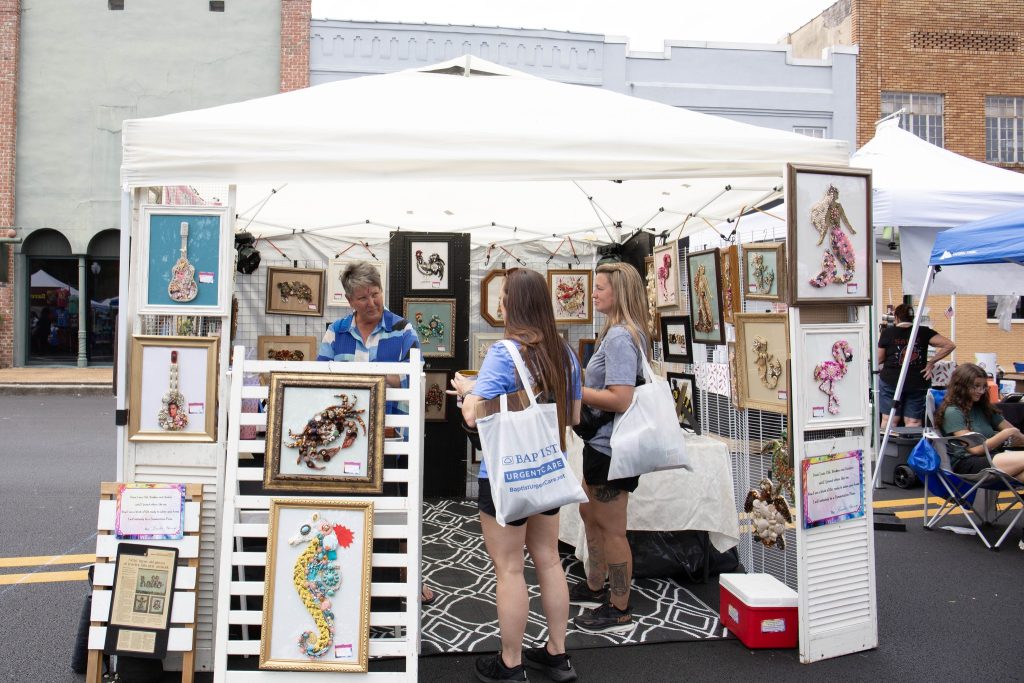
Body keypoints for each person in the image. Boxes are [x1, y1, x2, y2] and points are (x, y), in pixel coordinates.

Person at [452, 268, 582, 683]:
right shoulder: (566, 353)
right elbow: (574, 417)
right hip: (548, 471)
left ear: (512, 303)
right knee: (548, 558)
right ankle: (557, 655)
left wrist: (464, 392)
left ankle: (511, 663)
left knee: (508, 568)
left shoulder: (503, 354)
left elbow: (473, 415)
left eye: (504, 296)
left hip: (506, 475)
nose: (501, 303)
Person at [316, 261, 437, 606]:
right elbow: (321, 379)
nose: (372, 302)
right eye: (363, 297)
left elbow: (415, 378)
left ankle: (406, 579)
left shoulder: (402, 330)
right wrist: (384, 377)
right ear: (350, 300)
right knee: (347, 511)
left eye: (376, 294)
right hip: (344, 443)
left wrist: (361, 379)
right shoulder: (335, 332)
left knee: (398, 509)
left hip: (390, 439)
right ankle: (350, 581)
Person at [571, 262, 650, 634]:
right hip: (601, 445)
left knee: (612, 529)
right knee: (591, 515)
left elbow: (619, 399)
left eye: (600, 287)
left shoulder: (620, 336)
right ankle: (595, 584)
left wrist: (569, 390)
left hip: (611, 449)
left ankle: (619, 606)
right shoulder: (619, 333)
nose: (594, 294)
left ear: (619, 292)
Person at [936, 363, 1024, 482]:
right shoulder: (953, 412)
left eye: (983, 386)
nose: (981, 391)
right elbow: (975, 449)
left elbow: (1017, 435)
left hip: (993, 457)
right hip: (968, 463)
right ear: (961, 386)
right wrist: (1006, 434)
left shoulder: (983, 408)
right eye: (976, 386)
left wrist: (1012, 434)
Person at [876, 303, 955, 429]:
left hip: (891, 381)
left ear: (896, 317)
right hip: (918, 381)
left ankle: (888, 447)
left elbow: (879, 359)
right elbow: (950, 345)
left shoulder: (888, 333)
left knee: (889, 420)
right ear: (913, 318)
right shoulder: (923, 331)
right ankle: (910, 448)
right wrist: (931, 363)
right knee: (913, 422)